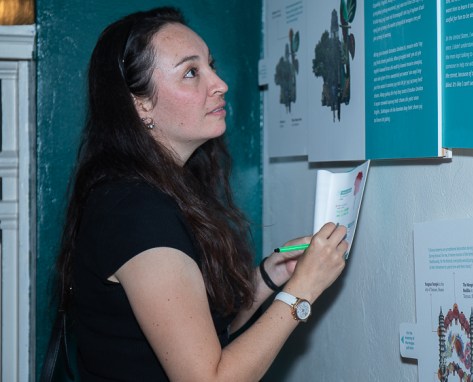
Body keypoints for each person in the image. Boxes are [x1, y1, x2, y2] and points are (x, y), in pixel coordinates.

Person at [54, 6, 348, 381]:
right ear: (140, 103)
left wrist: (267, 280)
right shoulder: (135, 212)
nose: (219, 83)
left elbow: (200, 333)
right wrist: (302, 293)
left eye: (211, 65)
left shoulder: (151, 192)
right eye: (191, 72)